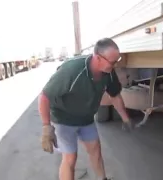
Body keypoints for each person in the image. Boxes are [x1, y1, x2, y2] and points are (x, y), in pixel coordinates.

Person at [38, 38, 133, 180]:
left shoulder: (108, 72)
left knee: (95, 151)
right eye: (112, 62)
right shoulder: (72, 70)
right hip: (64, 119)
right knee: (70, 158)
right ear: (98, 58)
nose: (114, 66)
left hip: (86, 119)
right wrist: (46, 128)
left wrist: (126, 119)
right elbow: (44, 96)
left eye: (116, 61)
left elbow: (115, 96)